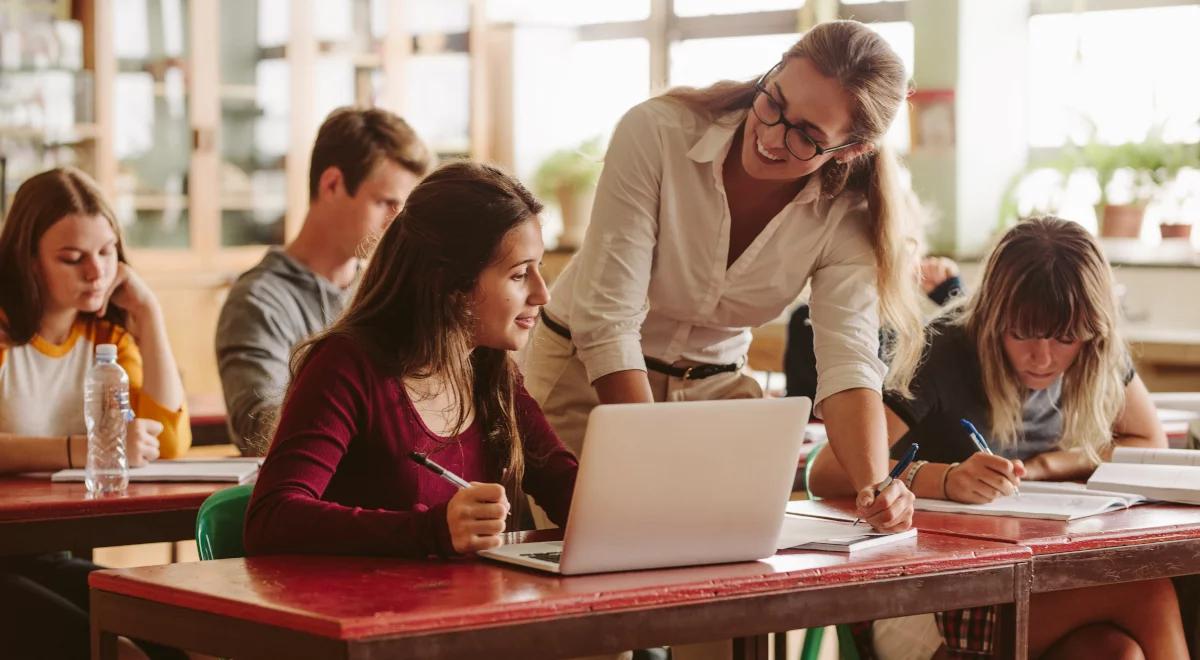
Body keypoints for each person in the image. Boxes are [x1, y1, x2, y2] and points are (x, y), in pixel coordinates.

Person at [521, 20, 923, 533]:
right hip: (586, 377)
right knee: (592, 557)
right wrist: (641, 461)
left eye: (806, 136)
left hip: (711, 393)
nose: (772, 136)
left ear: (849, 151)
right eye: (775, 103)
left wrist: (876, 487)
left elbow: (848, 364)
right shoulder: (658, 132)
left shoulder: (850, 214)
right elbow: (607, 322)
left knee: (722, 574)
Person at [807, 216, 1189, 659]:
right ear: (992, 317)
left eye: (1065, 338)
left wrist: (1051, 463)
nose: (1043, 358)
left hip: (1031, 582)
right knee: (1146, 594)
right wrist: (943, 480)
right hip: (921, 600)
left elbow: (1147, 443)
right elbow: (825, 471)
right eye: (1022, 333)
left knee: (1114, 652)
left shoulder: (1093, 344)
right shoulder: (942, 350)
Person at [244, 161, 578, 560]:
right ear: (451, 284)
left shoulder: (491, 370)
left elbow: (564, 485)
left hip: (461, 609)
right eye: (520, 274)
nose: (543, 294)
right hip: (366, 613)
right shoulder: (345, 366)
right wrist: (430, 530)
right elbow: (270, 519)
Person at [0, 167, 188, 659]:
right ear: (28, 261)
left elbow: (166, 441)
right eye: (72, 258)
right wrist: (78, 450)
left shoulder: (105, 339)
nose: (96, 272)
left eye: (106, 253)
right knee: (114, 649)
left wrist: (149, 313)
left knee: (170, 632)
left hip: (45, 548)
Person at [216, 106, 432, 455]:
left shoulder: (391, 292)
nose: (397, 223)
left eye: (403, 208)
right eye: (385, 203)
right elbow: (258, 431)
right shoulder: (257, 301)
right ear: (332, 184)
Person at [785, 254, 964, 399]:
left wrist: (953, 295)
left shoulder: (913, 327)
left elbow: (966, 367)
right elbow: (803, 402)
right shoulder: (806, 319)